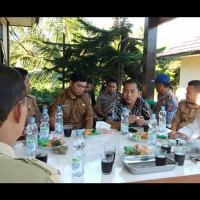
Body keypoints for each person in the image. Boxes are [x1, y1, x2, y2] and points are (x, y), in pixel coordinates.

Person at [0, 63, 62, 183]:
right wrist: (40, 172)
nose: (30, 84)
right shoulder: (42, 177)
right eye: (28, 82)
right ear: (18, 111)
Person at [14, 67, 41, 138]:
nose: (30, 85)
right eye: (27, 82)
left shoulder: (31, 100)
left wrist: (30, 125)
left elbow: (39, 122)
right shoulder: (6, 102)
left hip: (30, 138)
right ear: (20, 84)